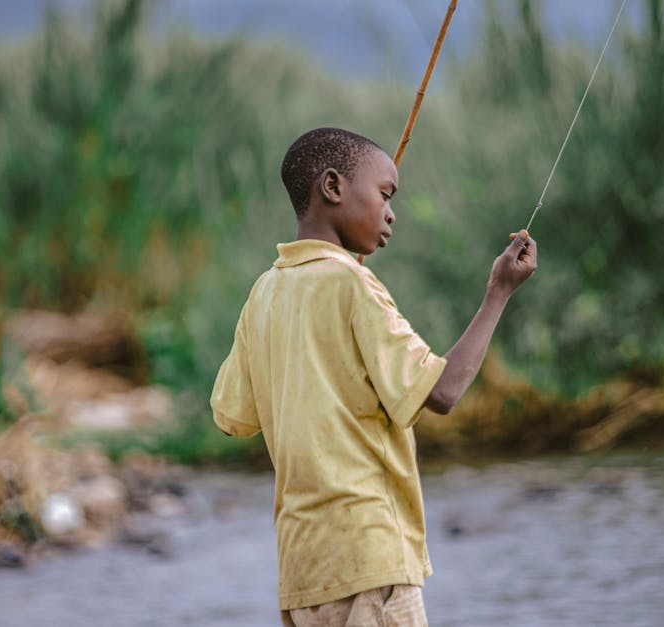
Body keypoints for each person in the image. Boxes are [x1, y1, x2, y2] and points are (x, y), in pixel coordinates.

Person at [211, 127, 537, 626]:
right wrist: (499, 291)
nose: (391, 213)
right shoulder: (354, 284)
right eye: (384, 194)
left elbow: (231, 416)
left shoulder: (264, 293)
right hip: (371, 561)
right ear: (333, 187)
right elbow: (444, 392)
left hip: (301, 572)